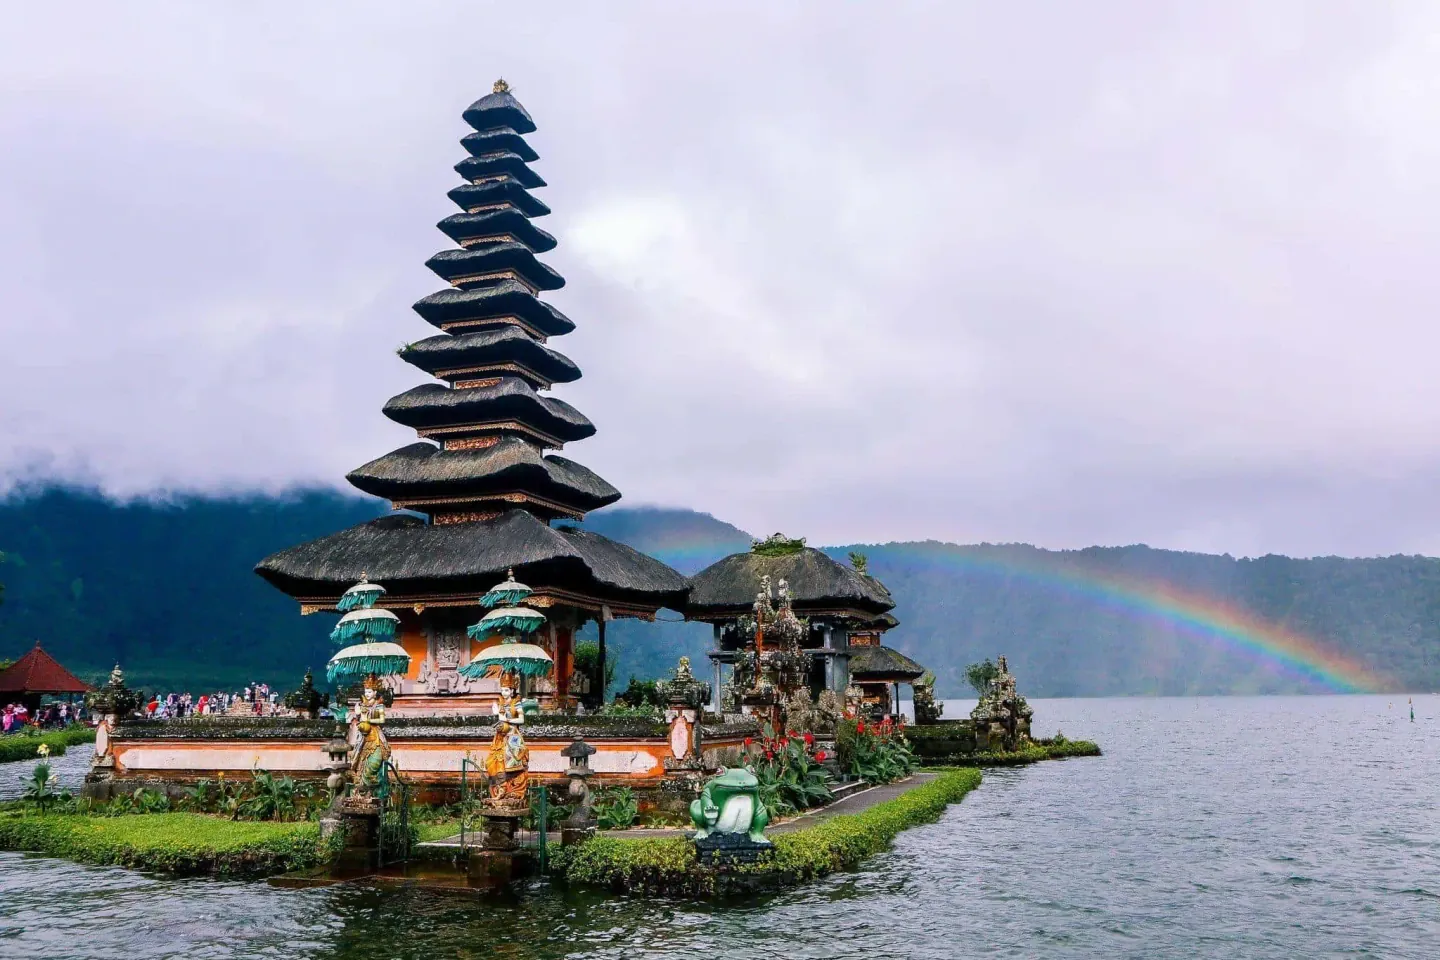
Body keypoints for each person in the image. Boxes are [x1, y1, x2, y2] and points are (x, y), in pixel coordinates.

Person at [485, 675, 530, 804]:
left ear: (512, 690)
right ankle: (500, 788)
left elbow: (521, 720)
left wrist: (507, 720)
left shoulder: (516, 702)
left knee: (511, 762)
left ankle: (509, 789)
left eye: (506, 690)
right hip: (500, 735)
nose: (503, 693)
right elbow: (500, 718)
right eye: (502, 690)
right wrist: (497, 713)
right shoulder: (500, 703)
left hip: (512, 736)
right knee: (493, 761)